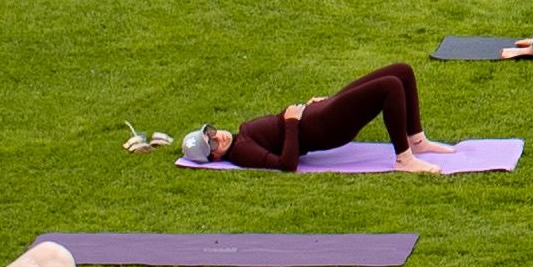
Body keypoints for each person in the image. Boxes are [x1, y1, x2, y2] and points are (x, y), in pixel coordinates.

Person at [144, 63, 427, 171]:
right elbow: (287, 163)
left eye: (213, 131)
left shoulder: (240, 138)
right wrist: (291, 122)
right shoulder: (243, 152)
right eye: (214, 143)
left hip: (316, 114)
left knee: (402, 71)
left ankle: (416, 140)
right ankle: (404, 158)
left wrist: (313, 106)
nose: (219, 136)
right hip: (323, 128)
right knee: (389, 86)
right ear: (215, 158)